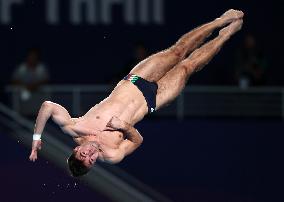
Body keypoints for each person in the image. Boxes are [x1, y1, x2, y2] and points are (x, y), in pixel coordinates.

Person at [29, 9, 244, 177]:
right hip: (153, 100)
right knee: (188, 67)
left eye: (86, 154)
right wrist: (125, 127)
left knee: (178, 51)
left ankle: (219, 22)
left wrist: (37, 138)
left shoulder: (75, 127)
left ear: (76, 151)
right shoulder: (111, 155)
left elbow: (47, 106)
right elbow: (137, 141)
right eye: (92, 160)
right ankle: (224, 37)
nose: (93, 154)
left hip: (134, 80)